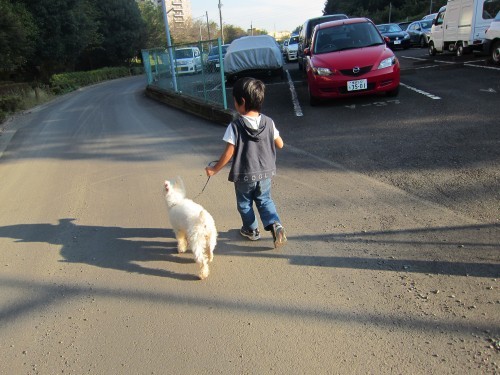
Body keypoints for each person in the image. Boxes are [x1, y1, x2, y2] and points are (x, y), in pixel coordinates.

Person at [205, 77, 287, 248]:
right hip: (265, 173)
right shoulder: (269, 122)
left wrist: (214, 169)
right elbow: (280, 144)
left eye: (234, 100)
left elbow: (229, 153)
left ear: (241, 101)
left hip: (244, 175)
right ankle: (275, 225)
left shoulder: (235, 126)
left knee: (244, 204)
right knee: (265, 200)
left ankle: (251, 230)